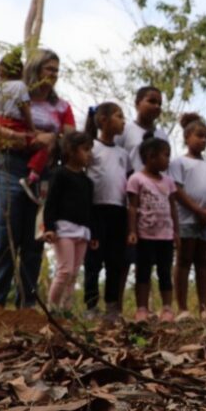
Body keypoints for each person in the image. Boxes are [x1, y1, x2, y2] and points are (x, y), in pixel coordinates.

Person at [0, 49, 74, 308]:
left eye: (57, 70)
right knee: (5, 238)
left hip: (44, 173)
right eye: (49, 69)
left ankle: (27, 305)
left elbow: (70, 142)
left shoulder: (61, 107)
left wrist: (52, 140)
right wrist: (23, 138)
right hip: (9, 166)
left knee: (34, 241)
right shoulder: (14, 94)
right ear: (35, 69)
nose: (53, 74)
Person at [170, 113, 206, 320]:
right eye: (199, 136)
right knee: (184, 260)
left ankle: (204, 308)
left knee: (203, 262)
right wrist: (198, 210)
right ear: (187, 138)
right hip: (187, 219)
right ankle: (183, 308)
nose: (203, 140)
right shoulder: (179, 163)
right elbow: (177, 190)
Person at [83, 102, 130, 323]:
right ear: (103, 120)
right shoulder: (90, 147)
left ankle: (112, 307)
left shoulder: (123, 154)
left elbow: (128, 181)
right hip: (96, 210)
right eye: (119, 116)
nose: (123, 121)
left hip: (119, 211)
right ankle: (91, 306)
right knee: (93, 260)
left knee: (115, 261)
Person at [0, 46, 45, 203]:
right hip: (15, 124)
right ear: (21, 72)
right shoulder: (20, 86)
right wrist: (32, 129)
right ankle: (32, 176)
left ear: (1, 72)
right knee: (43, 145)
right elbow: (25, 109)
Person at [43, 132, 97, 313]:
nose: (89, 154)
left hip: (83, 232)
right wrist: (49, 228)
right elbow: (50, 203)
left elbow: (89, 209)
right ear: (71, 151)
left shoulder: (87, 182)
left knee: (73, 274)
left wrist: (93, 233)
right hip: (63, 230)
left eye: (90, 150)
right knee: (65, 271)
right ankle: (51, 310)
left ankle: (66, 311)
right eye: (85, 149)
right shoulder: (59, 174)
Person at [126, 137, 179, 322]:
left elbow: (173, 208)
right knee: (143, 272)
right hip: (145, 235)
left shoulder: (169, 182)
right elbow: (132, 207)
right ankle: (142, 309)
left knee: (165, 272)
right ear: (151, 156)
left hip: (165, 236)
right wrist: (132, 231)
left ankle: (167, 309)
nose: (168, 160)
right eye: (166, 155)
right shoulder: (136, 179)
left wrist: (176, 232)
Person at [118, 85, 169, 174]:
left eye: (159, 104)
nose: (157, 106)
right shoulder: (124, 130)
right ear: (138, 103)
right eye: (152, 101)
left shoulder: (162, 136)